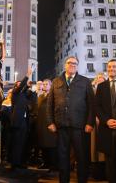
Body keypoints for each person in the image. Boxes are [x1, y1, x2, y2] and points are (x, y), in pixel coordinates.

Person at [46, 55, 95, 183]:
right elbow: (49, 104)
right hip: (61, 126)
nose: (72, 64)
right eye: (70, 63)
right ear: (65, 65)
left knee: (82, 157)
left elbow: (91, 104)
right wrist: (50, 122)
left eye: (75, 63)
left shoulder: (85, 81)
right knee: (63, 157)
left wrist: (90, 123)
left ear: (77, 66)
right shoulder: (56, 81)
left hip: (80, 126)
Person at [10, 67, 33, 171]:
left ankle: (20, 162)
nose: (21, 85)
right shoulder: (15, 93)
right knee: (17, 143)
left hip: (24, 121)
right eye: (19, 84)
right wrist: (27, 75)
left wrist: (28, 85)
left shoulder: (24, 94)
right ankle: (14, 164)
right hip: (17, 122)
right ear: (16, 86)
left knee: (22, 143)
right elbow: (21, 87)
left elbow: (28, 91)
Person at [36, 79, 57, 171]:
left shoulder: (53, 96)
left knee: (51, 145)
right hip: (41, 124)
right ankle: (45, 163)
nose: (44, 85)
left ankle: (53, 164)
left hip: (49, 123)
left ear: (50, 86)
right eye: (43, 84)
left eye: (46, 84)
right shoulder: (40, 97)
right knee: (43, 144)